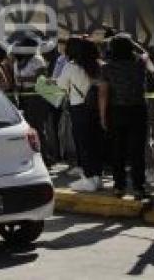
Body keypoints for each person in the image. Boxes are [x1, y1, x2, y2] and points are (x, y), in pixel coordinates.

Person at [99, 34, 151, 199]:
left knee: (118, 150)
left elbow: (103, 93)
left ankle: (119, 187)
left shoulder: (107, 68)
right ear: (131, 48)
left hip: (117, 111)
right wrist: (135, 45)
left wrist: (102, 116)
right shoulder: (140, 64)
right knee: (137, 152)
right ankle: (138, 187)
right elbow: (146, 54)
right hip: (138, 110)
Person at [58, 37, 103, 192]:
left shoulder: (70, 66)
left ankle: (89, 180)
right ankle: (97, 178)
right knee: (95, 143)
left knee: (83, 144)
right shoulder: (98, 66)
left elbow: (61, 86)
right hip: (97, 108)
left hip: (78, 108)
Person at [12, 36, 58, 165]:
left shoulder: (37, 60)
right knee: (27, 129)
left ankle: (45, 157)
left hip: (37, 96)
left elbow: (40, 79)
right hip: (23, 96)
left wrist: (23, 80)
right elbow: (17, 80)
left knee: (38, 128)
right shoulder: (18, 62)